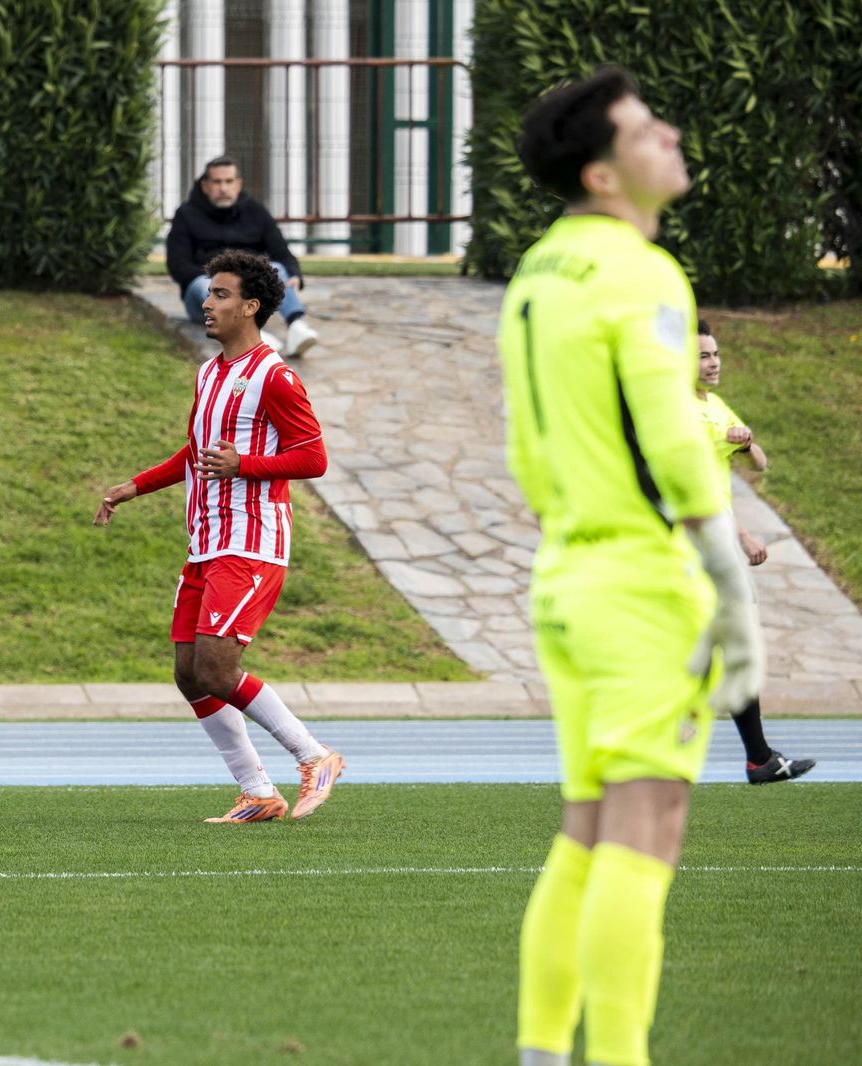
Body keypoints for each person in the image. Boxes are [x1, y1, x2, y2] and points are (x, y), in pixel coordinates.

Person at [500, 69, 766, 1066]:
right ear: (605, 174)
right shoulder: (639, 273)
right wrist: (727, 587)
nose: (671, 132)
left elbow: (531, 452)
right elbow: (672, 438)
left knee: (586, 826)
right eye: (648, 127)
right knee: (647, 831)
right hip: (640, 586)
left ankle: (540, 1050)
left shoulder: (535, 273)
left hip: (565, 575)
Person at [95, 249, 344, 824]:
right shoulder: (211, 372)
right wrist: (134, 487)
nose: (206, 304)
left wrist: (245, 466)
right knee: (189, 673)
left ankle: (315, 756)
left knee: (214, 669)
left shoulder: (275, 376)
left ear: (251, 307)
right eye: (208, 294)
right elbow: (197, 452)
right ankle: (257, 791)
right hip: (205, 543)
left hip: (249, 542)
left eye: (221, 295)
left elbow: (313, 458)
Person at [696, 319, 816, 784]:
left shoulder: (715, 406)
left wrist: (746, 444)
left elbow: (762, 464)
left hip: (714, 542)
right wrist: (743, 536)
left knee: (723, 648)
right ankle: (755, 757)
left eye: (716, 354)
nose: (713, 362)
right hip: (704, 544)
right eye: (703, 355)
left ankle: (758, 757)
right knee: (726, 647)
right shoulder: (683, 414)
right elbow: (699, 493)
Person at [166, 156, 321, 359]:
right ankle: (252, 338)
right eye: (217, 182)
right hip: (204, 291)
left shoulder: (256, 212)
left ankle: (297, 326)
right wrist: (223, 280)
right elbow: (178, 265)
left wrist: (295, 274)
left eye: (229, 181)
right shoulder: (185, 215)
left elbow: (282, 252)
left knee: (279, 270)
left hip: (248, 288)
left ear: (238, 184)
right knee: (205, 286)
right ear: (205, 185)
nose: (223, 188)